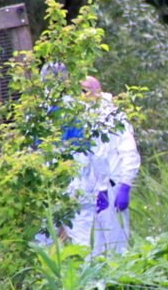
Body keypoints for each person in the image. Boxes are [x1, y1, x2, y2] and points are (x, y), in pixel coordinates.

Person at [60, 75, 141, 257]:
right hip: (91, 190)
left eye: (86, 89)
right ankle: (98, 284)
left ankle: (122, 282)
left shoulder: (114, 117)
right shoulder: (80, 118)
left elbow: (129, 154)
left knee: (116, 244)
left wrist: (125, 187)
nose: (82, 94)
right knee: (93, 248)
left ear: (98, 91)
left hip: (114, 186)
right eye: (79, 90)